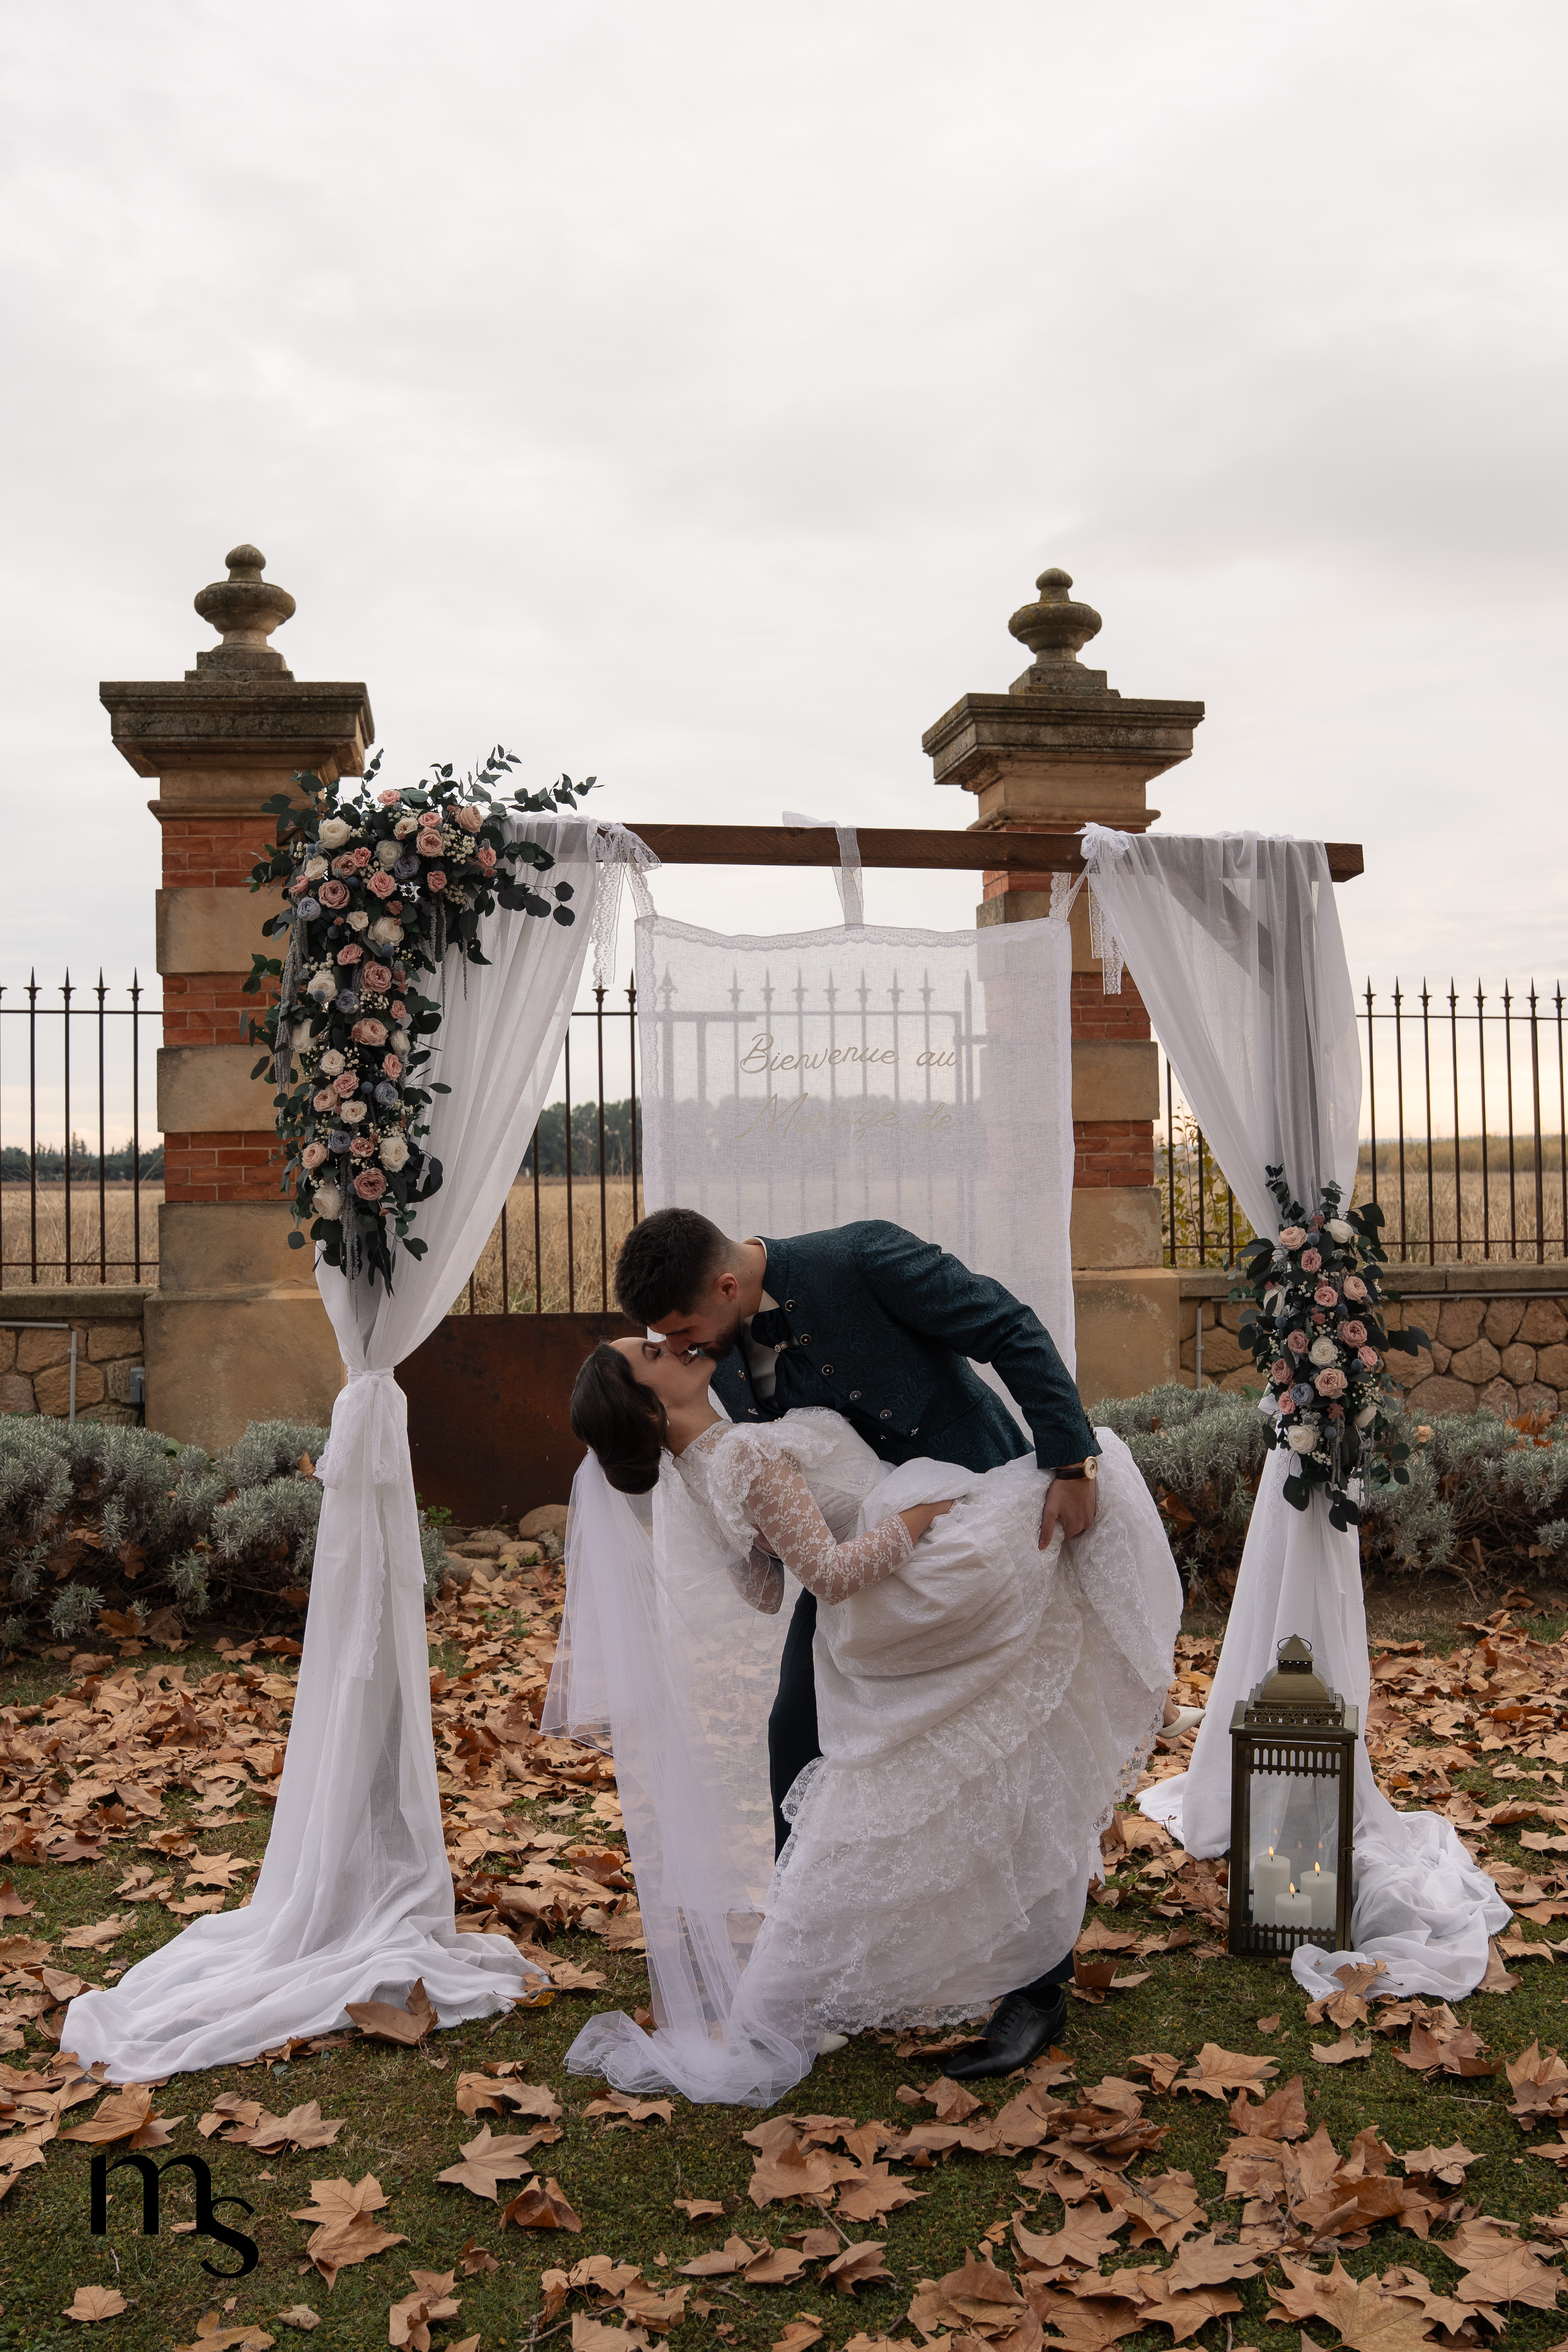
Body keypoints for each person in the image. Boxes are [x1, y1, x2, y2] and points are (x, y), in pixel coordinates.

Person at [556, 1330, 1182, 2103]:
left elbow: (763, 1588)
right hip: (919, 1568)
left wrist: (759, 1543)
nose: (669, 1344)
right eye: (651, 1352)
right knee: (1101, 1476)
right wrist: (920, 1513)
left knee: (1009, 1705)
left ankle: (976, 1956)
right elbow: (829, 1572)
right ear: (650, 1403)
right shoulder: (736, 1459)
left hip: (899, 1567)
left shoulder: (703, 1466)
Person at [610, 1207, 1106, 2077]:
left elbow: (1007, 1325)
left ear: (727, 1286)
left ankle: (1036, 1988)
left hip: (973, 1532)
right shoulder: (709, 1361)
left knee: (1006, 1753)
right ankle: (810, 1976)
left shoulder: (865, 1257)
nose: (683, 1350)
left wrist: (1069, 1462)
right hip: (862, 1566)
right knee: (794, 1734)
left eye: (684, 1330)